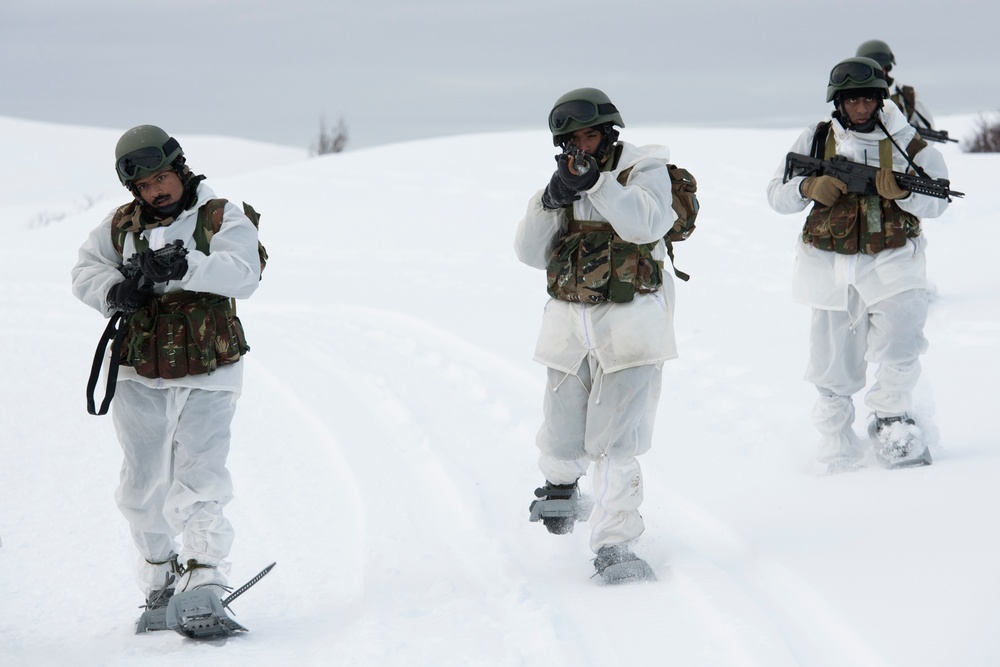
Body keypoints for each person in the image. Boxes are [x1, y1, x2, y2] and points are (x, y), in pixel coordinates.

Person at [71, 125, 261, 622]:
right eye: (144, 184)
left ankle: (203, 572)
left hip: (210, 369)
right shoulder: (121, 227)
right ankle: (159, 576)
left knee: (200, 472)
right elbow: (85, 269)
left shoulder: (220, 216)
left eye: (161, 177)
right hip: (139, 369)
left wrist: (186, 268)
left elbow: (245, 273)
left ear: (179, 169)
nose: (156, 189)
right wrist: (115, 292)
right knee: (142, 481)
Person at [514, 88, 676, 583]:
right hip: (569, 322)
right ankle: (561, 488)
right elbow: (528, 252)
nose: (580, 146)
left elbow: (646, 224)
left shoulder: (643, 170)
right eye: (570, 139)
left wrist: (598, 184)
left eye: (588, 134)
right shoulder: (561, 180)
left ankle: (616, 544)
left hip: (631, 324)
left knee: (616, 442)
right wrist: (551, 199)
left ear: (608, 132)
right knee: (562, 427)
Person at [766, 57, 951, 472]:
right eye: (853, 102)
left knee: (902, 344)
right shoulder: (815, 139)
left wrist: (903, 195)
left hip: (893, 262)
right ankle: (837, 446)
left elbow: (938, 200)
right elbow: (775, 194)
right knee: (832, 365)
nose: (862, 109)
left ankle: (893, 424)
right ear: (839, 103)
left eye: (869, 100)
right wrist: (808, 186)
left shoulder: (908, 143)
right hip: (827, 267)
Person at [856, 39, 937, 134]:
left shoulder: (906, 95)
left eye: (879, 67)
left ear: (886, 67)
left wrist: (906, 136)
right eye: (870, 69)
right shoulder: (851, 95)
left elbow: (928, 133)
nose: (875, 73)